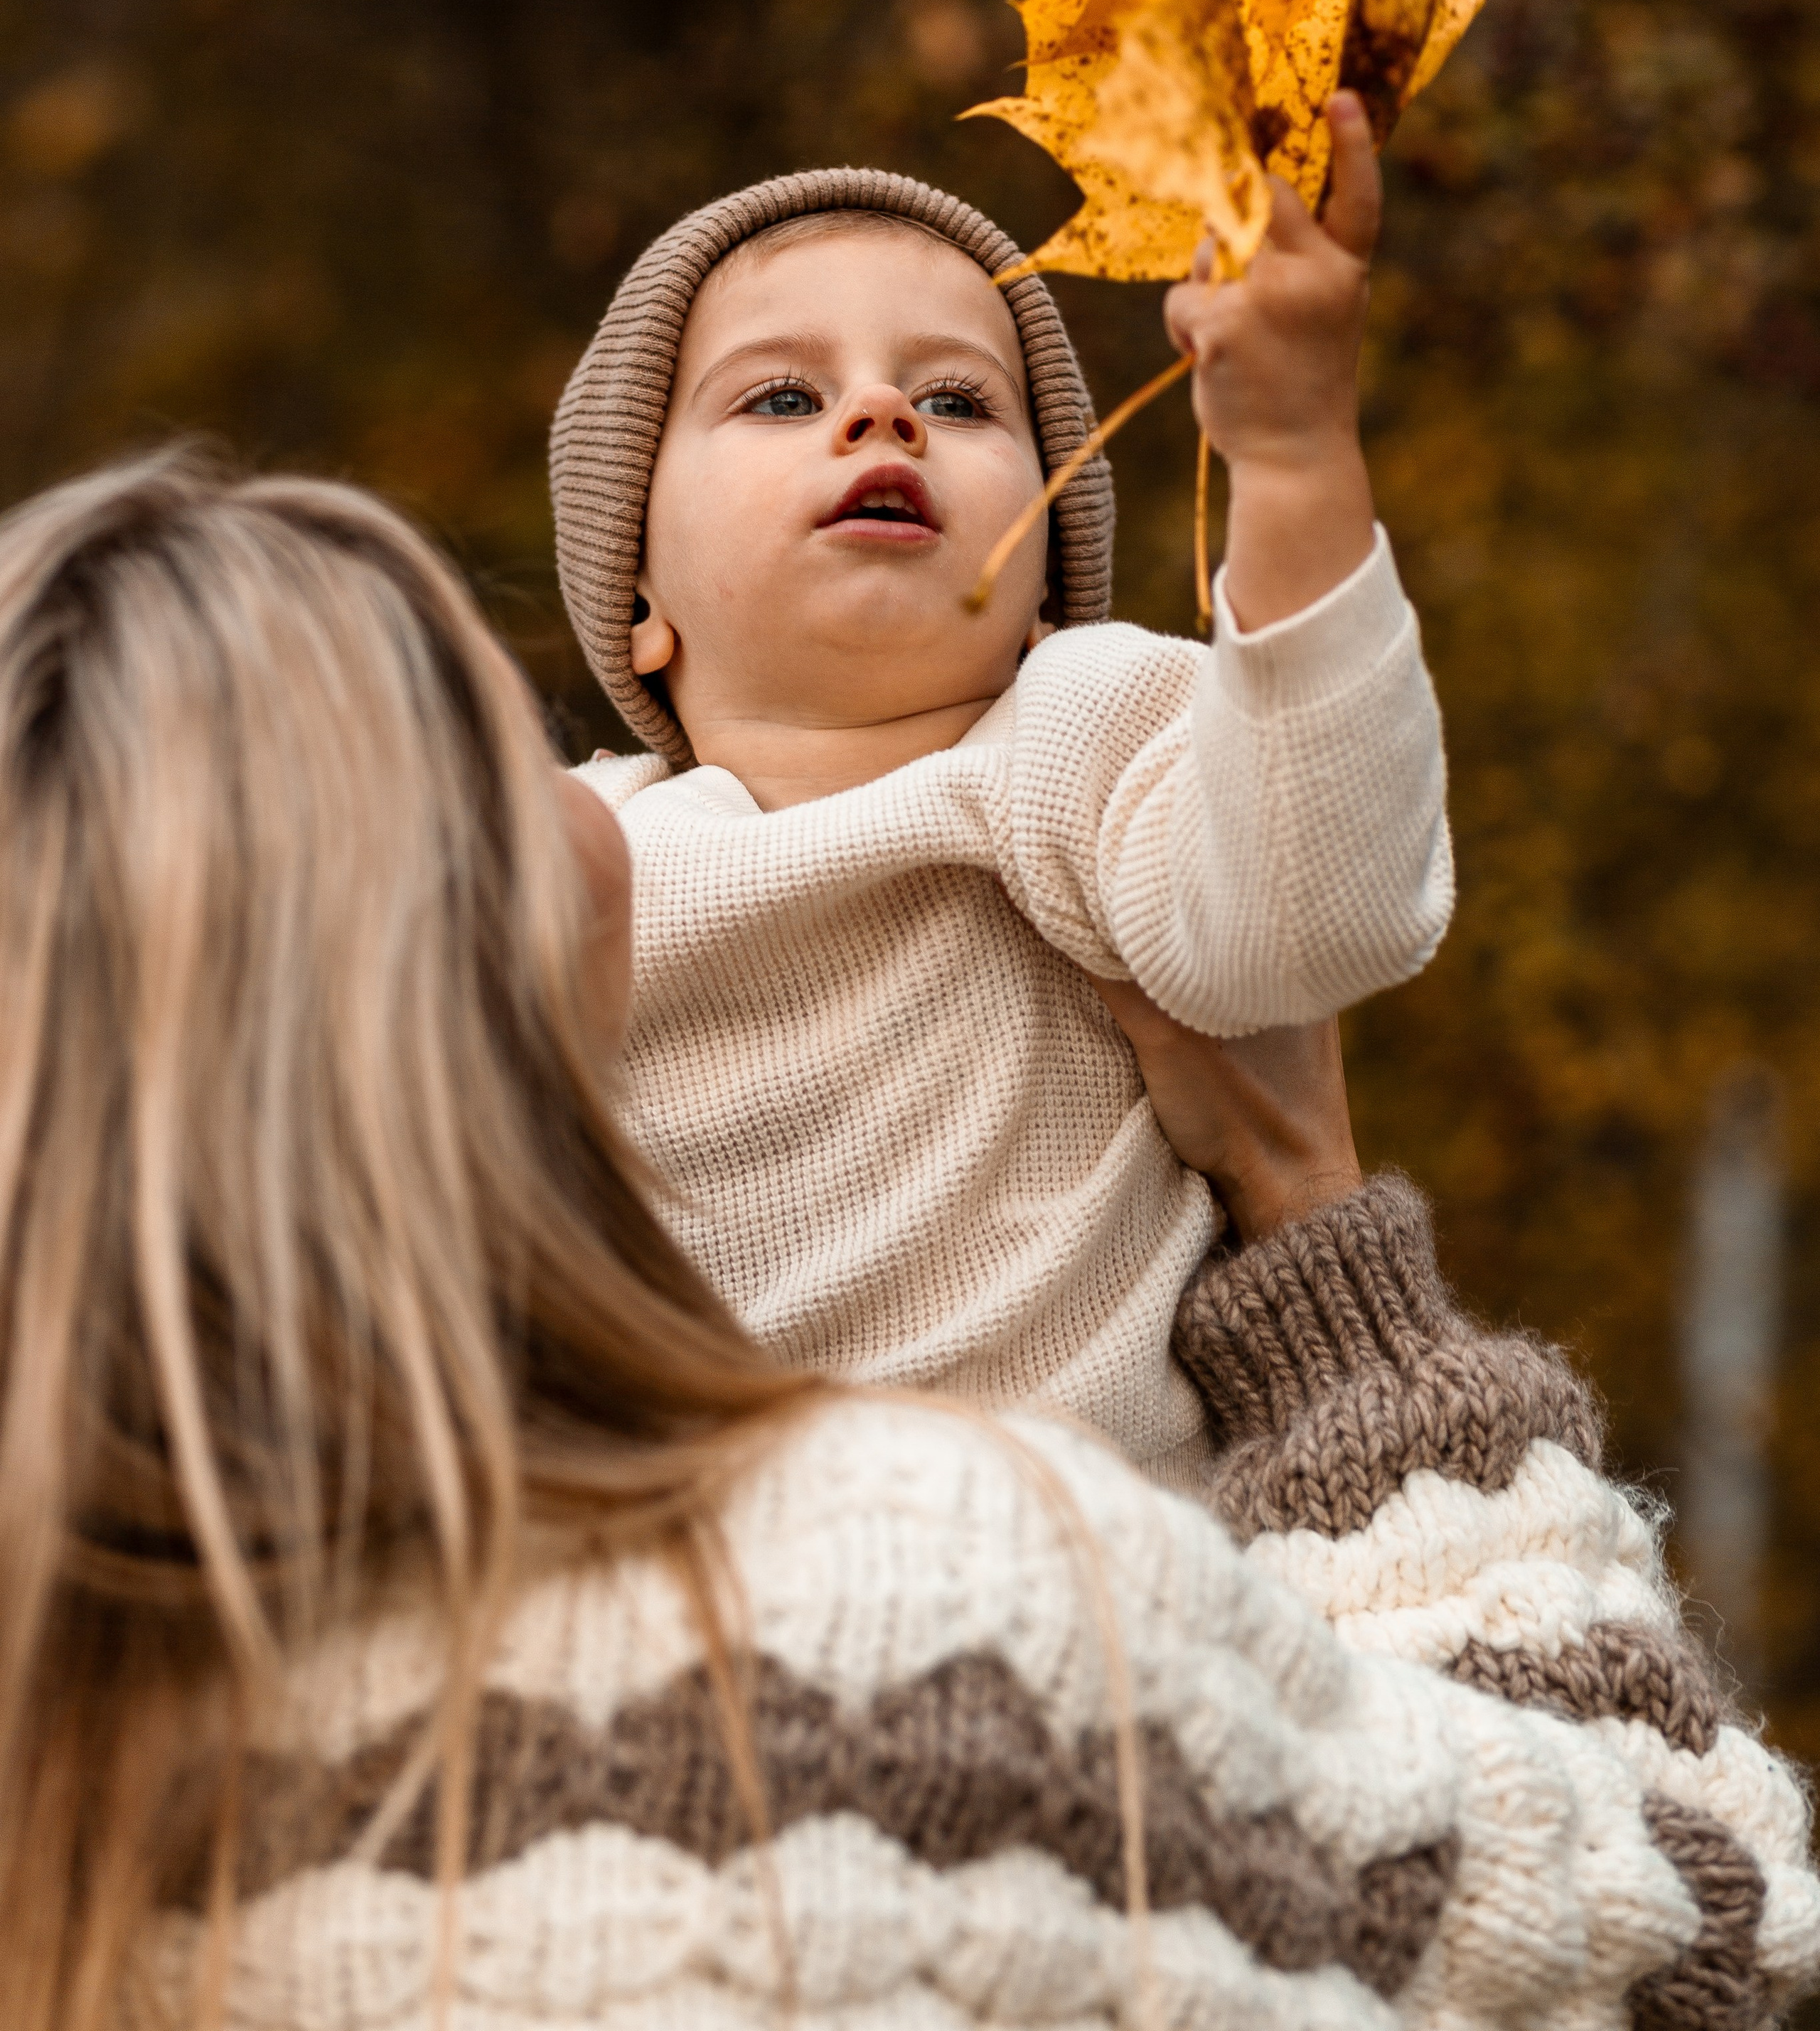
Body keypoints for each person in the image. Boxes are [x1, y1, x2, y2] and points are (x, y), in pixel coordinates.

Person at [5, 449, 1814, 2030]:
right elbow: (1691, 1936)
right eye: (516, 743)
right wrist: (1315, 1239)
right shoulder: (929, 1614)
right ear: (461, 943)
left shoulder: (65, 1752)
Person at [552, 100, 1449, 1489]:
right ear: (635, 595)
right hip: (667, 1586)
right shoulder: (570, 844)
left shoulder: (1076, 742)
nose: (879, 413)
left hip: (1083, 1600)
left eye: (960, 399)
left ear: (1041, 587)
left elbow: (1312, 915)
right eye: (780, 396)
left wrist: (1290, 458)